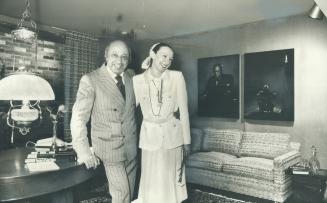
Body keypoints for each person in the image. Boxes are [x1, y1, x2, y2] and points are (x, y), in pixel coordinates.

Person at [70, 40, 137, 203]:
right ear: (106, 55)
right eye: (114, 55)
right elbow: (78, 118)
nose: (119, 61)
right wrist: (84, 151)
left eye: (124, 57)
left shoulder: (132, 76)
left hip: (131, 148)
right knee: (122, 194)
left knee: (130, 194)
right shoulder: (91, 80)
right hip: (109, 148)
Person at [132, 43, 191, 203]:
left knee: (169, 180)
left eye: (170, 59)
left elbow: (184, 112)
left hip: (172, 137)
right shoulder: (137, 80)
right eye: (164, 56)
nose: (167, 61)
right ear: (153, 54)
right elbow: (129, 109)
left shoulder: (177, 77)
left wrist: (187, 142)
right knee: (151, 181)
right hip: (149, 137)